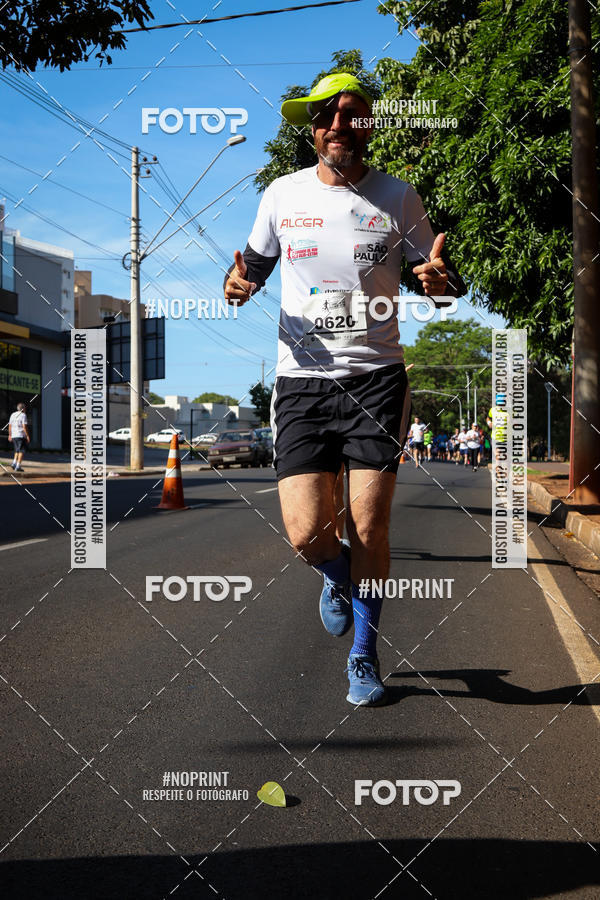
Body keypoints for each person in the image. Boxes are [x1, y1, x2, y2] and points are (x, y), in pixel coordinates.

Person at [223, 72, 466, 706]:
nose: (339, 124)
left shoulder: (397, 197)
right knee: (306, 533)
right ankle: (337, 578)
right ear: (313, 131)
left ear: (367, 125)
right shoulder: (281, 195)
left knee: (368, 525)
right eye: (327, 115)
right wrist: (235, 282)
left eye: (352, 114)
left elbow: (434, 279)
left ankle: (364, 655)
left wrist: (442, 281)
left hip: (377, 378)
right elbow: (250, 264)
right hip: (302, 382)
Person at [8, 402, 30, 472]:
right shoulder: (23, 415)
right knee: (21, 451)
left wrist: (10, 435)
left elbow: (10, 425)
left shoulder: (13, 414)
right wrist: (27, 435)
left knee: (17, 449)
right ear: (23, 409)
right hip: (21, 435)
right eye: (25, 408)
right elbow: (24, 426)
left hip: (14, 435)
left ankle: (14, 463)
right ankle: (18, 466)